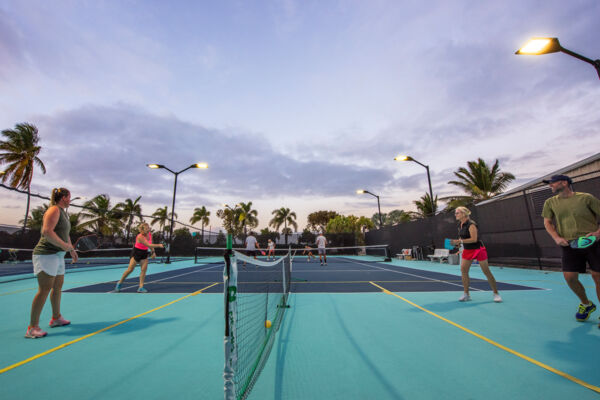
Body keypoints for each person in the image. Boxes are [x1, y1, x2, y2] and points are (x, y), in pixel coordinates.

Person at [541, 174, 600, 326]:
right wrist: (556, 237)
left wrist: (598, 233)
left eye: (552, 183)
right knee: (570, 277)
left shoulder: (586, 198)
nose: (550, 186)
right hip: (569, 245)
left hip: (593, 243)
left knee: (597, 277)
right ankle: (587, 304)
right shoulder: (550, 202)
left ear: (564, 183)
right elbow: (547, 222)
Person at [26, 188, 78, 338]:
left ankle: (56, 318)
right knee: (44, 289)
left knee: (58, 286)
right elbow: (47, 231)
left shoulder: (63, 213)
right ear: (63, 198)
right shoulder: (54, 210)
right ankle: (32, 327)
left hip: (58, 255)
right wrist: (63, 245)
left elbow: (65, 234)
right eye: (69, 197)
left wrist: (71, 250)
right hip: (46, 255)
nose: (70, 200)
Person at [451, 206, 502, 303]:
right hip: (467, 250)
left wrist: (460, 241)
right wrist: (458, 245)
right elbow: (462, 239)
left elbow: (473, 239)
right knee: (463, 271)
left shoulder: (471, 224)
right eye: (455, 213)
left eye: (457, 213)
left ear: (463, 214)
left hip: (478, 249)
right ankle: (466, 294)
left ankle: (496, 293)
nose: (455, 215)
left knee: (486, 271)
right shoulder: (460, 225)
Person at [115, 222, 164, 293]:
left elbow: (150, 243)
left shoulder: (150, 234)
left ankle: (141, 287)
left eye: (148, 228)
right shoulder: (140, 237)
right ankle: (119, 283)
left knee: (143, 270)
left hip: (144, 253)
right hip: (136, 253)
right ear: (142, 230)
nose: (148, 229)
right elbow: (148, 244)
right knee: (130, 270)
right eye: (146, 228)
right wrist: (159, 245)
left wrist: (153, 252)